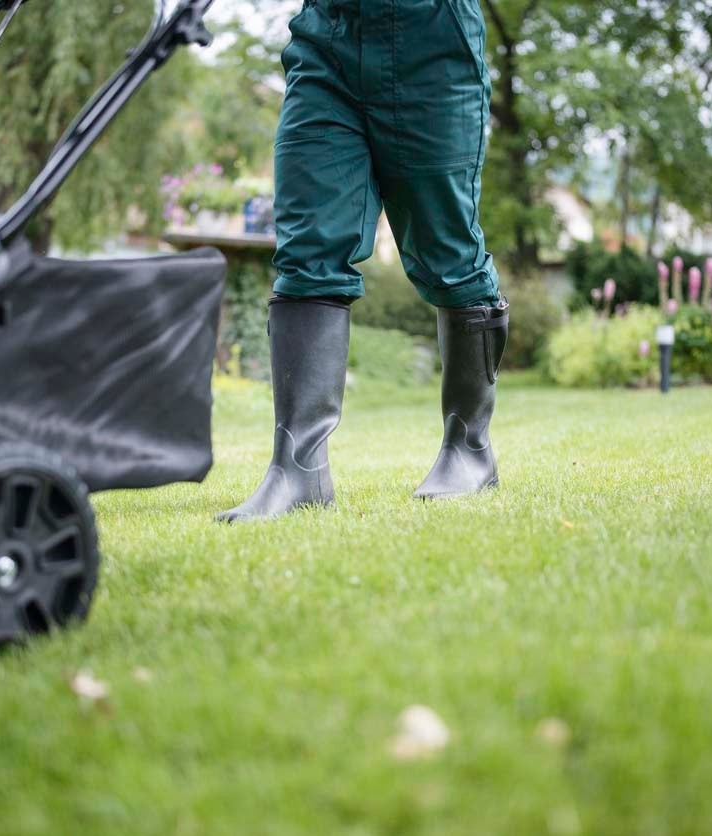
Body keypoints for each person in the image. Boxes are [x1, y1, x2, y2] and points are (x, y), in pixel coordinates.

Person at [216, 0, 508, 523]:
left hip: (433, 42)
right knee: (308, 249)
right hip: (328, 38)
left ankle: (469, 449)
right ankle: (298, 469)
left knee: (448, 256)